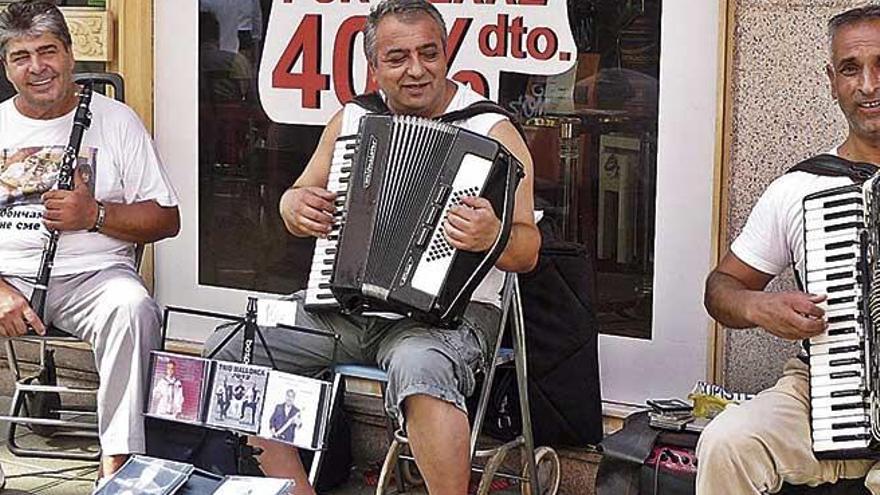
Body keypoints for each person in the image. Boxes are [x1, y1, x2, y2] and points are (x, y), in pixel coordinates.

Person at [204, 0, 539, 493]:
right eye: (398, 58)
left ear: (447, 55)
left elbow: (528, 249)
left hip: (448, 318)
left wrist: (493, 237)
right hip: (344, 308)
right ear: (374, 66)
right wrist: (296, 208)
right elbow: (296, 198)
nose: (417, 70)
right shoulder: (355, 118)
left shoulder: (491, 130)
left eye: (429, 54)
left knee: (419, 367)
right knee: (233, 347)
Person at [699, 6, 880, 493]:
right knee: (726, 443)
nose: (868, 85)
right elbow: (721, 287)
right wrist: (758, 306)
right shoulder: (800, 188)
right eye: (850, 68)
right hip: (820, 389)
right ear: (831, 79)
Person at [0, 0, 179, 477]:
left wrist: (94, 214)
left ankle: (117, 461)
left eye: (48, 51)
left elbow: (166, 219)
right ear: (6, 66)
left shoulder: (116, 120)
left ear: (70, 53)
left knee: (133, 307)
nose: (37, 67)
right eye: (22, 56)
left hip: (93, 279)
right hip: (8, 280)